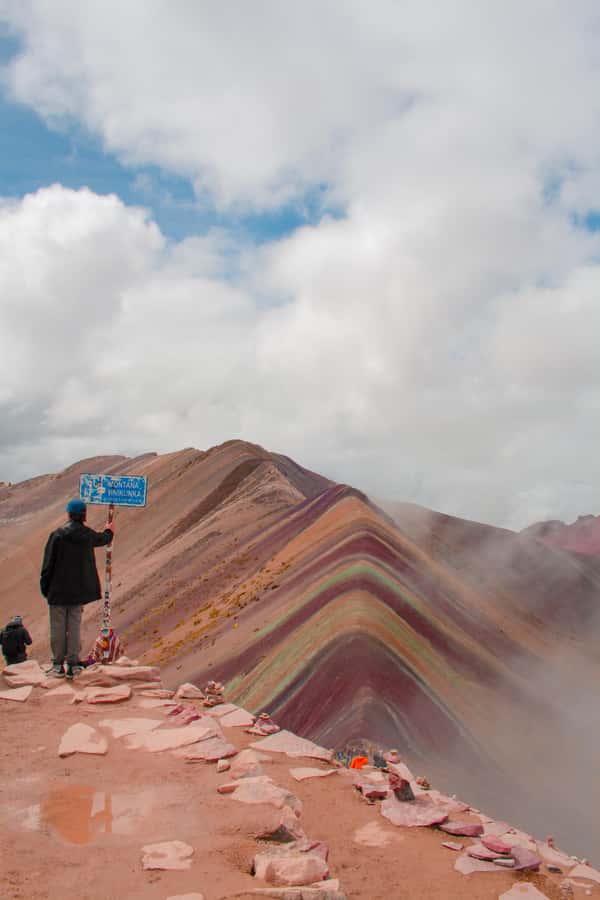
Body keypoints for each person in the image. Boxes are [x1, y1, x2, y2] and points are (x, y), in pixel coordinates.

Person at [40, 499, 113, 679]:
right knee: (74, 627)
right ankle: (73, 664)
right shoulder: (86, 535)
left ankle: (57, 666)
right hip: (77, 592)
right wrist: (110, 530)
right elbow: (102, 539)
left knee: (57, 628)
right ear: (84, 515)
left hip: (57, 591)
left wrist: (45, 588)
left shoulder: (57, 535)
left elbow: (47, 565)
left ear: (68, 514)